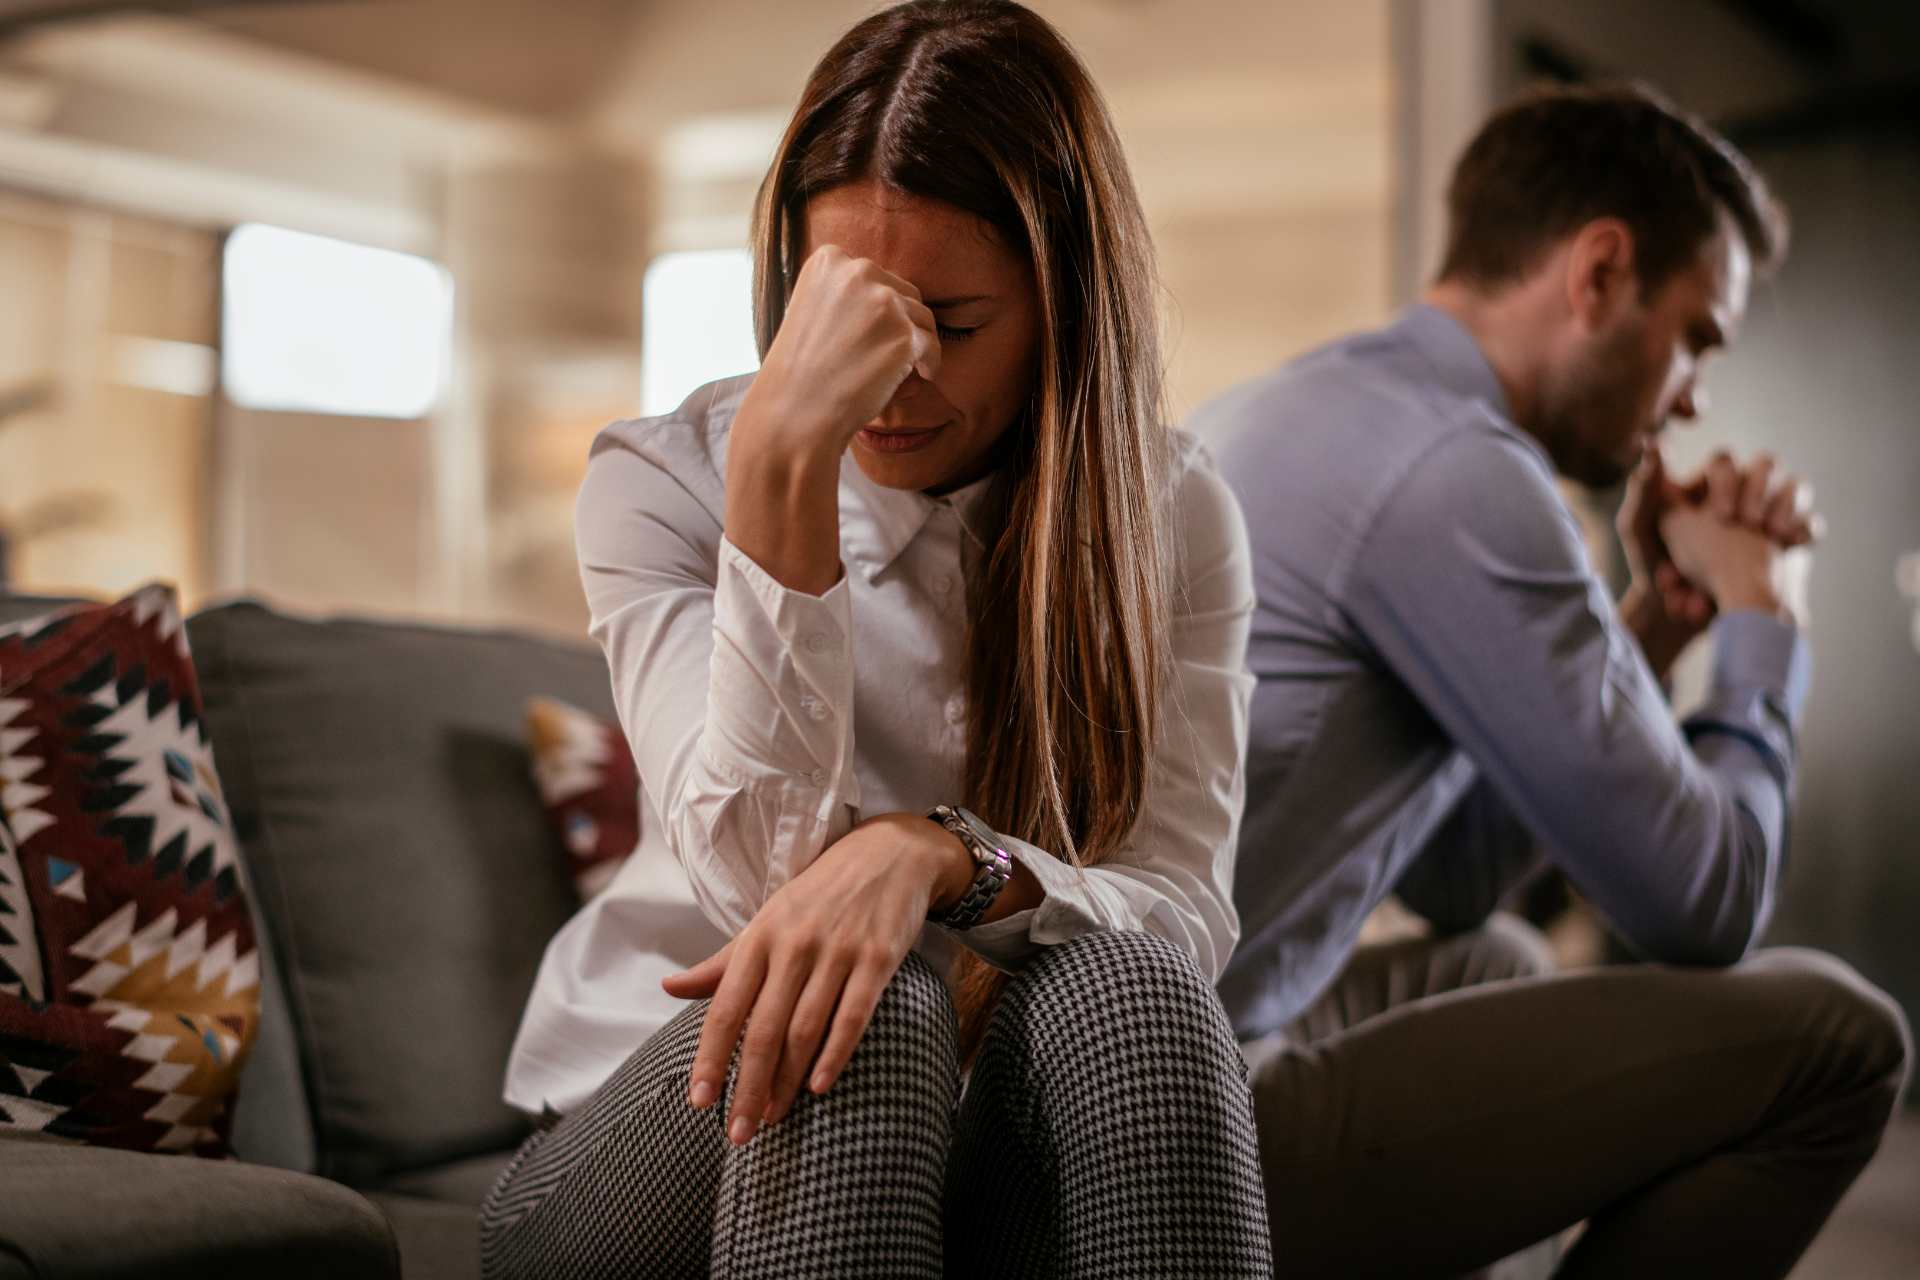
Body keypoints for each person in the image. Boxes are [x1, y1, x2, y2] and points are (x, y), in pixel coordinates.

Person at [481, 4, 1270, 1277]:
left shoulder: (1174, 515)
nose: (890, 381)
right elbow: (758, 883)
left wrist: (938, 855)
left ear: (1062, 307)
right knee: (863, 1002)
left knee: (1144, 992)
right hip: (636, 1142)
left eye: (951, 327)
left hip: (972, 1127)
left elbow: (1180, 910)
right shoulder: (662, 482)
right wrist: (782, 466)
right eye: (847, 312)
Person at [1192, 84, 1911, 1279]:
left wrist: (1647, 628)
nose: (1693, 395)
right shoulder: (1460, 472)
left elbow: (1460, 877)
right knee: (1843, 1036)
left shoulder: (1315, 402)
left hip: (1127, 1039)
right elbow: (1705, 905)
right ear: (1598, 273)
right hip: (1161, 1124)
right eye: (1698, 337)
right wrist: (1761, 617)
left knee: (1497, 965)